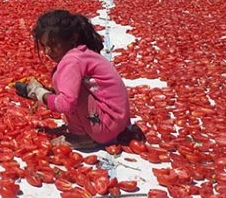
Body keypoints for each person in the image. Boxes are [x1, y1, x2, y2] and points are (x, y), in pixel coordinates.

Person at [16, 9, 141, 149]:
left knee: (68, 94)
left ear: (72, 39)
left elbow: (66, 104)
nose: (47, 52)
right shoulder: (83, 54)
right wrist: (46, 92)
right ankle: (88, 130)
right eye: (44, 46)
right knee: (67, 87)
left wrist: (38, 93)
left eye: (53, 44)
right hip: (117, 123)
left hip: (105, 128)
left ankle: (83, 136)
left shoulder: (72, 61)